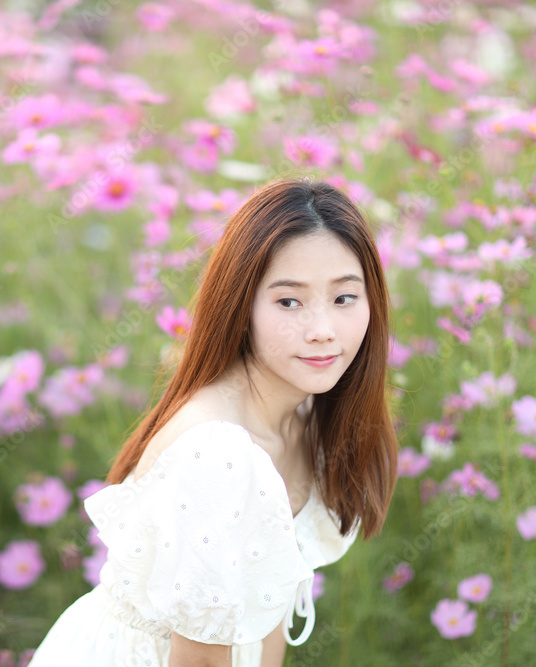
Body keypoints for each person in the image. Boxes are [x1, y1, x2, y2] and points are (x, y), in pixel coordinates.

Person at [27, 178, 398, 667]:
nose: (324, 331)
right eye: (289, 301)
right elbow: (197, 660)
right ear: (241, 306)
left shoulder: (303, 414)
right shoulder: (218, 452)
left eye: (344, 298)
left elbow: (268, 617)